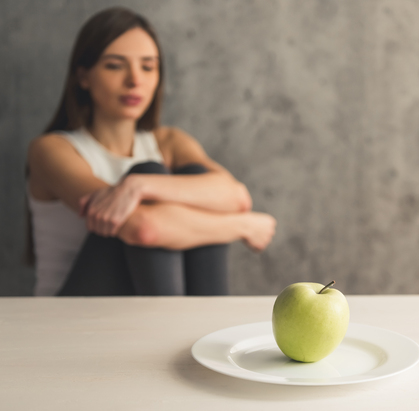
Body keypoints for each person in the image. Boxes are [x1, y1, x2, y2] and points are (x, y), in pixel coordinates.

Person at [26, 7, 276, 297]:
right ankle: (179, 331)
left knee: (182, 174)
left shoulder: (169, 142)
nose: (135, 80)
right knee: (151, 169)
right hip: (71, 314)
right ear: (83, 76)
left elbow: (235, 196)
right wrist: (241, 226)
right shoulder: (50, 150)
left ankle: (202, 331)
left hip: (140, 311)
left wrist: (139, 186)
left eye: (148, 66)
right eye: (115, 66)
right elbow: (144, 228)